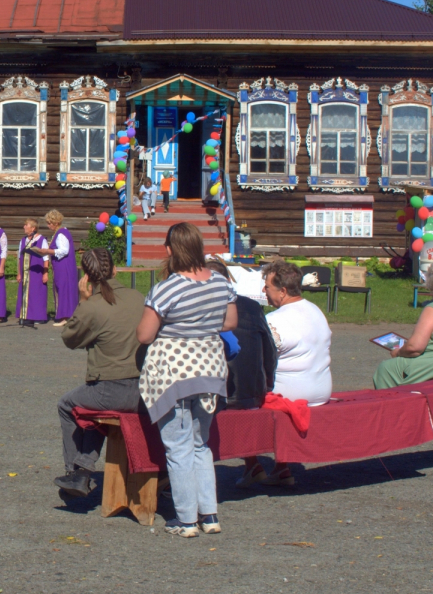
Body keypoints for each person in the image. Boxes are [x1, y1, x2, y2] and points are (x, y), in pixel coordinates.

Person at [136, 222, 237, 538]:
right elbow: (230, 321)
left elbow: (145, 334)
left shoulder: (166, 288)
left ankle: (185, 519)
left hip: (174, 372)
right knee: (200, 445)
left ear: (170, 250)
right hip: (209, 369)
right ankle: (209, 514)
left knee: (177, 447)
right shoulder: (220, 282)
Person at [53, 248, 147, 496]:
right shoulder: (138, 297)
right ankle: (84, 467)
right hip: (144, 389)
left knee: (68, 404)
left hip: (110, 388)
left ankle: (75, 471)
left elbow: (70, 338)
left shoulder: (92, 306)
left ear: (86, 276)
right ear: (115, 269)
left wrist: (82, 302)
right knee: (92, 404)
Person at [237, 260, 333, 488]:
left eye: (267, 287)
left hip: (292, 393)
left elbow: (254, 360)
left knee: (239, 397)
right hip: (321, 389)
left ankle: (252, 465)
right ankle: (281, 468)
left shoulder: (274, 321)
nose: (263, 291)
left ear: (282, 291)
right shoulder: (315, 310)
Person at [203, 260, 275, 412]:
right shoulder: (252, 306)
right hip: (249, 395)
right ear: (229, 281)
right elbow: (269, 350)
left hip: (210, 396)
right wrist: (268, 386)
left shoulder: (196, 307)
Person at [37, 210, 77, 326]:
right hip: (60, 266)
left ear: (55, 222)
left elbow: (64, 250)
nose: (48, 225)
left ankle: (65, 316)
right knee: (61, 289)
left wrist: (47, 251)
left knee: (64, 290)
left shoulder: (61, 234)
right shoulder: (58, 233)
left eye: (50, 223)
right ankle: (64, 315)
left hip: (64, 267)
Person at [16, 218, 49, 327]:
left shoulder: (41, 240)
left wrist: (45, 272)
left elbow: (46, 258)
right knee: (25, 293)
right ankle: (26, 315)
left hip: (37, 272)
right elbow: (19, 257)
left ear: (33, 228)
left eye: (26, 225)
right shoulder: (23, 240)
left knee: (37, 294)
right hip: (25, 272)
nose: (24, 227)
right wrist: (19, 272)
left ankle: (38, 317)